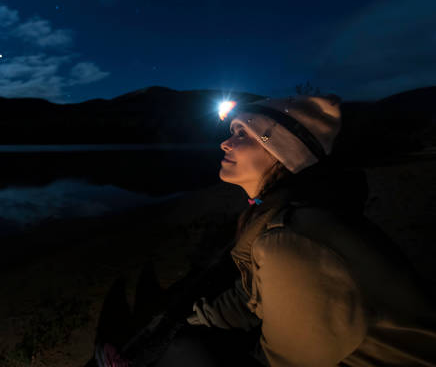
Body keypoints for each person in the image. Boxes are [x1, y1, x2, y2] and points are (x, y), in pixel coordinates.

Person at [181, 94, 436, 366]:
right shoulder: (286, 214)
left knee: (182, 353)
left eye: (243, 133)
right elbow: (255, 294)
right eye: (232, 132)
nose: (225, 142)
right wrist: (208, 317)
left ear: (282, 151)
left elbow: (287, 360)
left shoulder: (291, 240)